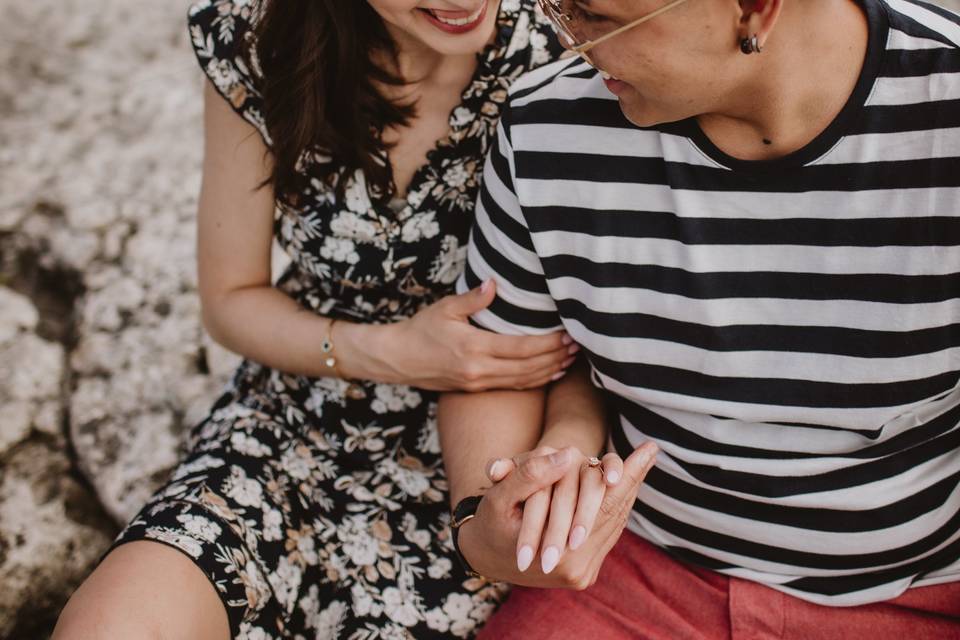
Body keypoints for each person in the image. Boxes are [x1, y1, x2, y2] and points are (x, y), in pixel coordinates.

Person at [50, 1, 613, 638]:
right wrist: (392, 350)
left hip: (484, 462)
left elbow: (607, 333)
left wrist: (560, 456)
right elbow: (232, 295)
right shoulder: (256, 35)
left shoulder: (579, 49)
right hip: (296, 415)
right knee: (108, 625)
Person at [438, 0, 960, 636]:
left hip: (917, 592)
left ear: (754, 10)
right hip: (638, 568)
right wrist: (479, 525)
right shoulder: (545, 122)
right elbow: (498, 363)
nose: (571, 43)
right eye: (555, 8)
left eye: (593, 15)